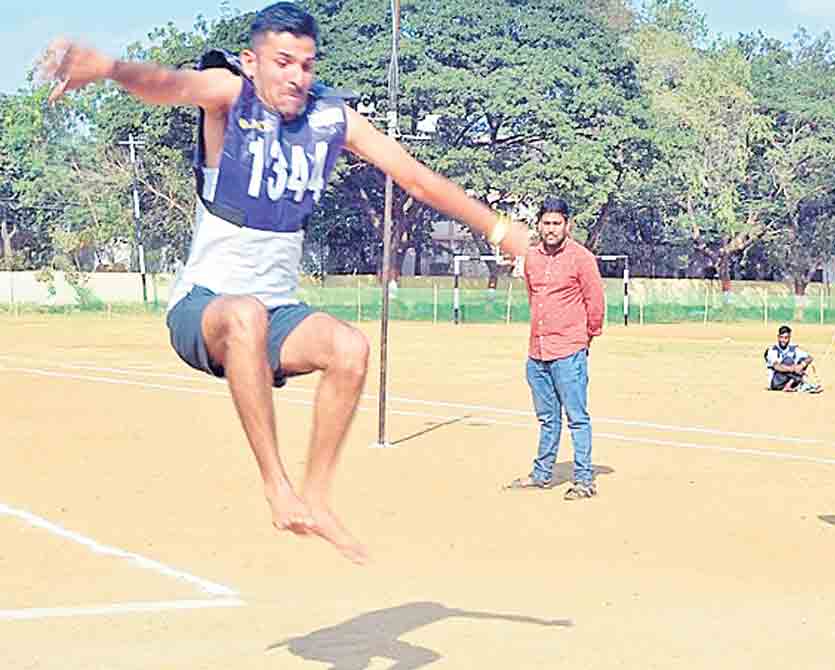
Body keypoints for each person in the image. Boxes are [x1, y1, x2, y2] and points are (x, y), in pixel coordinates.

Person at [38, 2, 531, 563]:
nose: (297, 76)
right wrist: (108, 68)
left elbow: (415, 177)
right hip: (204, 307)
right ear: (252, 63)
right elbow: (169, 85)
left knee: (350, 348)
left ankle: (315, 497)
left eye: (306, 64)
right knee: (244, 314)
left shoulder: (332, 118)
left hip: (277, 312)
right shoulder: (230, 96)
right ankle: (277, 485)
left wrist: (497, 228)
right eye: (283, 62)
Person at [511, 198, 605, 501]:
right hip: (537, 353)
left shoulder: (582, 258)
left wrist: (585, 338)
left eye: (557, 223)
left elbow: (595, 302)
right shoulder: (531, 258)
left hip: (568, 352)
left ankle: (584, 480)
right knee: (548, 419)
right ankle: (541, 475)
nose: (551, 229)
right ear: (539, 225)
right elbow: (533, 297)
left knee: (577, 418)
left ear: (568, 225)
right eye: (546, 223)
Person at [764, 325, 822, 393]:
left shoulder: (793, 348)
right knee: (788, 360)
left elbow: (810, 358)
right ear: (778, 337)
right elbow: (777, 366)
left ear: (789, 338)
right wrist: (793, 368)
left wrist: (801, 365)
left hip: (789, 379)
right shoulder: (772, 350)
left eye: (786, 338)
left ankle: (790, 385)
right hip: (776, 382)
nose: (783, 340)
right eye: (781, 337)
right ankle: (802, 384)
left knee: (802, 360)